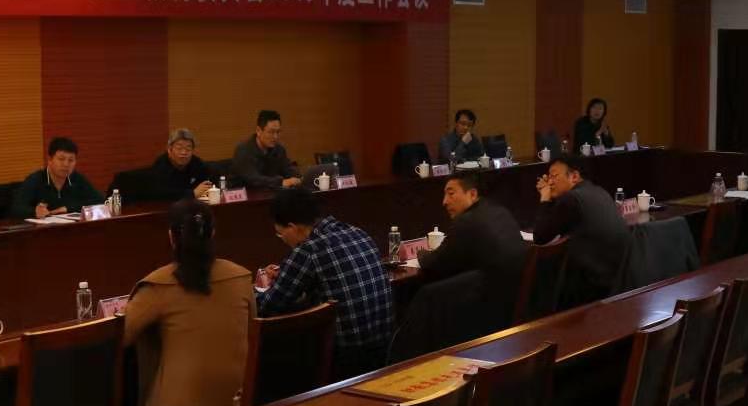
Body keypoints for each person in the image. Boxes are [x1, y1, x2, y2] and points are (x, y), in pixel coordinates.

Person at [123, 199, 253, 406]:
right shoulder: (241, 276)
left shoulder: (159, 285)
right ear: (214, 233)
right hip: (237, 399)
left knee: (136, 400)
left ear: (171, 237)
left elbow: (120, 335)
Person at [257, 187, 394, 377]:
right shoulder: (357, 232)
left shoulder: (308, 249)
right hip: (386, 348)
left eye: (280, 234)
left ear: (292, 227)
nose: (282, 240)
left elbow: (269, 306)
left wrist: (251, 292)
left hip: (346, 359)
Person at [417, 174, 529, 327]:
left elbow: (433, 264)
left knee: (425, 295)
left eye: (451, 193)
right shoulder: (499, 211)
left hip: (489, 310)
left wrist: (421, 253)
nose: (445, 201)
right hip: (517, 300)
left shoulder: (466, 221)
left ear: (472, 194)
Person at [532, 153, 629, 308]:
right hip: (618, 280)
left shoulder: (571, 198)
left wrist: (544, 198)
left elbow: (540, 237)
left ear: (574, 177)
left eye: (554, 176)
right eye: (548, 177)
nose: (549, 182)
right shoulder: (599, 191)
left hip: (590, 287)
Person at [11, 137, 104, 218]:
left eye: (71, 160)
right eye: (61, 159)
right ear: (50, 160)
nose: (66, 164)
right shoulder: (35, 180)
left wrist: (67, 208)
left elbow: (100, 200)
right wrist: (34, 211)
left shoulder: (77, 179)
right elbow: (16, 208)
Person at [232, 110, 300, 190]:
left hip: (269, 194)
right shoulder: (243, 151)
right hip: (245, 195)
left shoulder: (279, 149)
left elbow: (288, 170)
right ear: (258, 131)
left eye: (278, 132)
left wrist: (298, 178)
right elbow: (254, 180)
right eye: (271, 132)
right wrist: (281, 182)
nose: (275, 137)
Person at [145, 128, 214, 201]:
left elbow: (208, 181)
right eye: (179, 148)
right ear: (169, 150)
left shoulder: (196, 163)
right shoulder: (161, 165)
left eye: (188, 149)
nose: (183, 153)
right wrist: (192, 193)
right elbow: (161, 193)